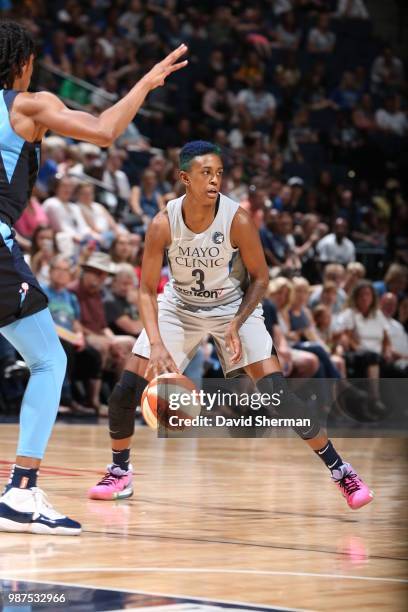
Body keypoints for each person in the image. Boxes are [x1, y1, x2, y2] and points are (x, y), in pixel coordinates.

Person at [88, 141, 373, 511]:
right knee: (126, 390)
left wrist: (238, 323)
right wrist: (156, 343)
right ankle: (120, 471)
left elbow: (260, 278)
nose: (214, 180)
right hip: (179, 307)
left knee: (278, 396)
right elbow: (144, 290)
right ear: (184, 178)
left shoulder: (237, 219)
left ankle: (341, 470)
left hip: (232, 307)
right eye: (206, 173)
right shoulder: (163, 222)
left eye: (219, 173)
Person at [0, 20, 188, 535]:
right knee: (47, 360)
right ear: (25, 64)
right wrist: (146, 83)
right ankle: (20, 491)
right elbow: (105, 131)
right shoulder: (27, 105)